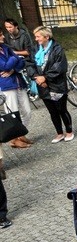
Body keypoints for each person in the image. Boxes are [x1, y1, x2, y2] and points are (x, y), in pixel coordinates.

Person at [31, 26, 74, 144]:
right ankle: (59, 133)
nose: (36, 39)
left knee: (62, 110)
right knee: (52, 111)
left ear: (47, 37)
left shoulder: (57, 49)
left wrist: (45, 77)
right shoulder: (35, 48)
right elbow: (30, 64)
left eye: (38, 36)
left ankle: (69, 131)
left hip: (57, 85)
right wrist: (36, 77)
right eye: (35, 36)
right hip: (42, 85)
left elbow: (60, 67)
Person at [3, 19, 33, 147]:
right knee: (12, 113)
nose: (4, 36)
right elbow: (4, 66)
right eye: (1, 34)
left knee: (27, 111)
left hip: (18, 81)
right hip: (7, 84)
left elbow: (21, 61)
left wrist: (13, 68)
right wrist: (14, 59)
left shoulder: (6, 48)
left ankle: (20, 133)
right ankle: (14, 139)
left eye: (9, 27)